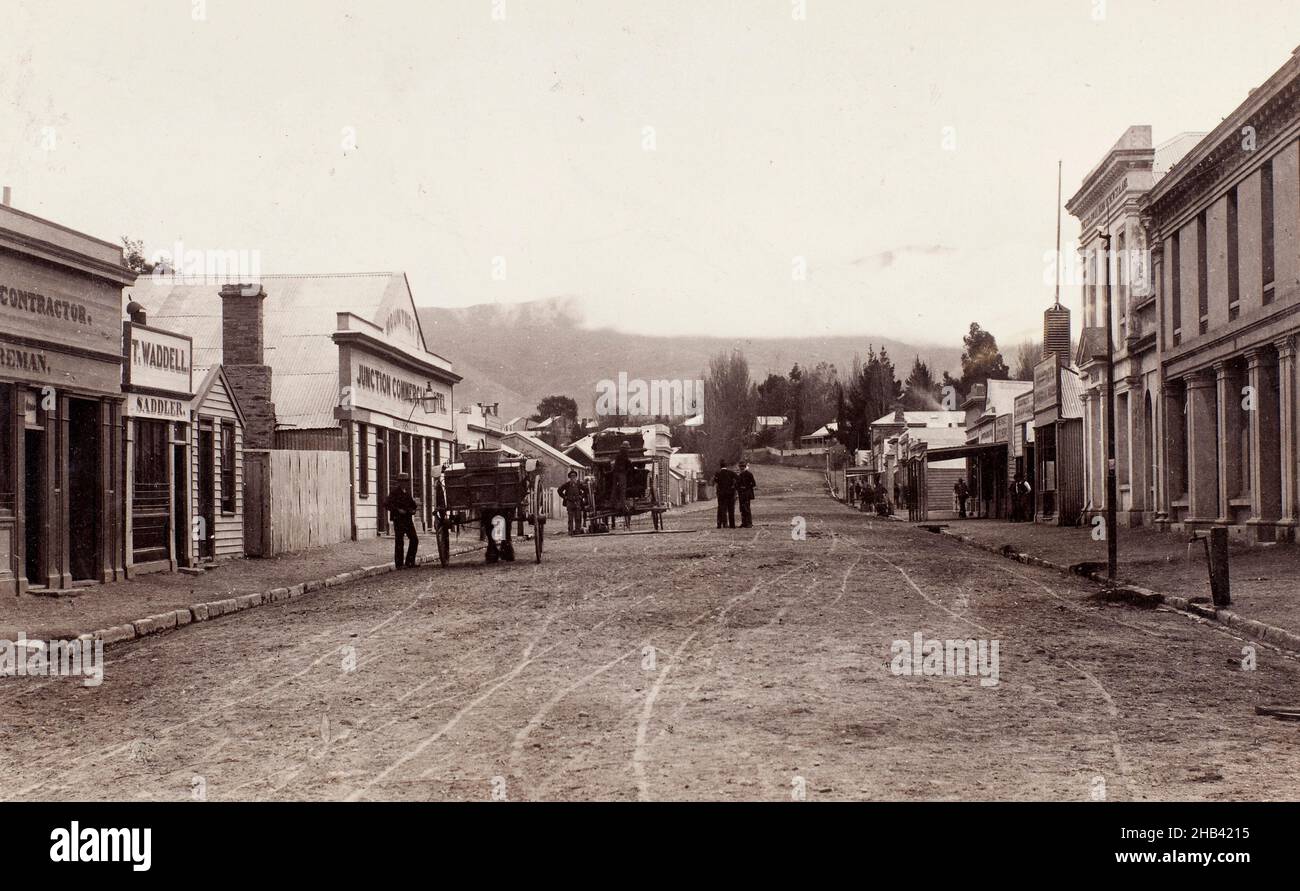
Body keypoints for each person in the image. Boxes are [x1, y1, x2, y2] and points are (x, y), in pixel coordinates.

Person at [387, 472, 419, 569]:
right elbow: (386, 504)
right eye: (402, 481)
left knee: (414, 540)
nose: (404, 483)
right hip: (399, 520)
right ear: (399, 482)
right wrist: (397, 510)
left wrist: (413, 510)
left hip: (408, 520)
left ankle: (410, 561)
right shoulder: (394, 493)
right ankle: (399, 564)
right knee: (399, 541)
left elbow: (413, 505)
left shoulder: (407, 493)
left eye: (406, 481)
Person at [558, 470, 586, 535]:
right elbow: (559, 490)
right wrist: (565, 497)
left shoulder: (579, 484)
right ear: (569, 477)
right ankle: (570, 531)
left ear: (576, 477)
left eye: (574, 476)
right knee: (570, 518)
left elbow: (586, 490)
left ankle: (577, 531)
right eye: (571, 476)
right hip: (569, 503)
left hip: (577, 502)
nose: (573, 478)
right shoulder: (567, 484)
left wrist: (581, 496)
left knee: (578, 517)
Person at [712, 459, 736, 529]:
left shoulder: (718, 473)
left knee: (721, 509)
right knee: (731, 509)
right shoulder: (731, 473)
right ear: (726, 466)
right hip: (730, 494)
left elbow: (714, 482)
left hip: (721, 494)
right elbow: (738, 479)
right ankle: (732, 524)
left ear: (720, 466)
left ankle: (721, 524)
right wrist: (733, 486)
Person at [612, 440, 633, 514]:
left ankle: (613, 503)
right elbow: (626, 463)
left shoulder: (619, 454)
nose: (628, 450)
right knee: (623, 490)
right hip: (621, 474)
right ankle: (623, 507)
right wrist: (630, 463)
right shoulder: (624, 454)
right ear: (625, 448)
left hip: (615, 474)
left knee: (614, 489)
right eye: (627, 448)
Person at [735, 460, 757, 528]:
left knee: (746, 508)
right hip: (742, 494)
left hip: (746, 494)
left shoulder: (749, 474)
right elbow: (736, 485)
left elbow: (753, 484)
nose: (741, 468)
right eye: (740, 467)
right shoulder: (740, 475)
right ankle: (744, 523)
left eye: (742, 467)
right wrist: (739, 488)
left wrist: (745, 487)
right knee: (742, 509)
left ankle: (749, 523)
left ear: (744, 467)